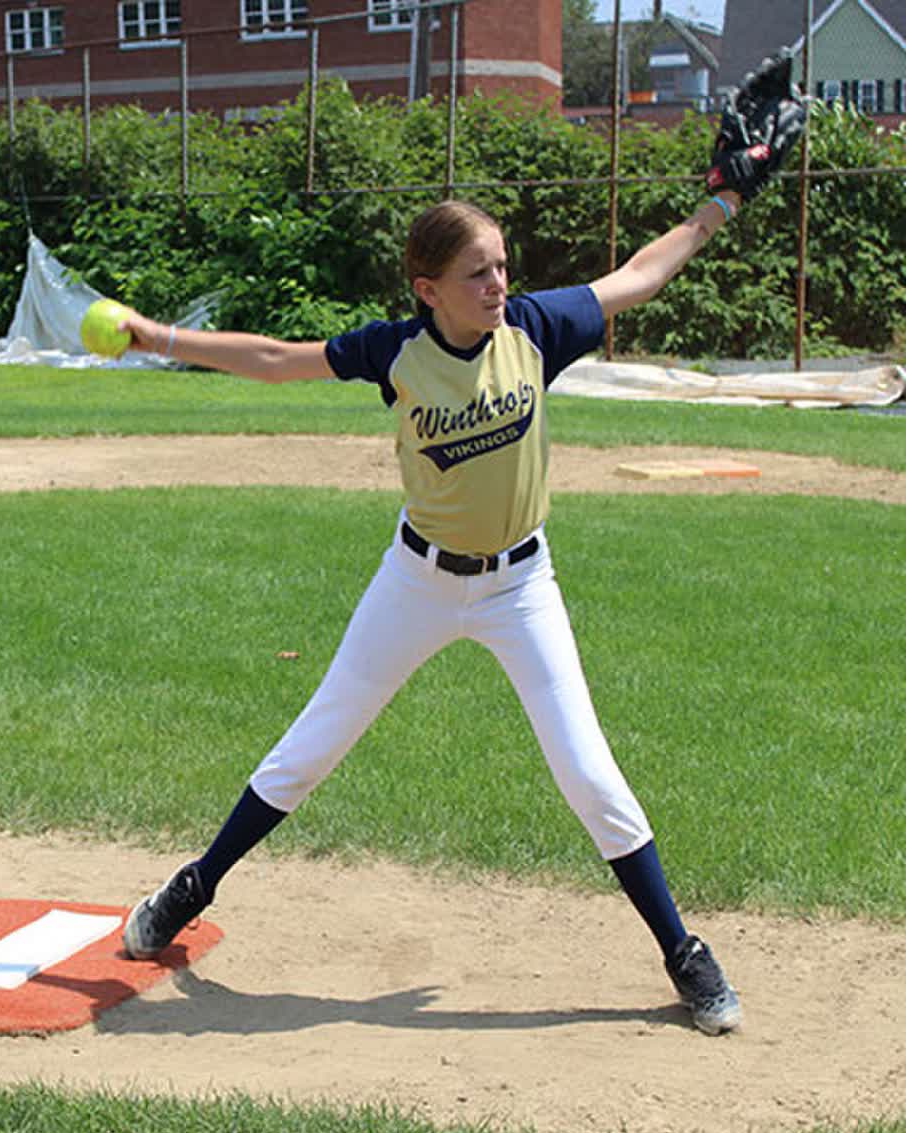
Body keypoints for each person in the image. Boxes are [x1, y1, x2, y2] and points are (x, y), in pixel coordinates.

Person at [113, 183, 749, 1036]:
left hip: (522, 586)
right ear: (427, 289)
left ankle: (683, 952)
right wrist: (164, 338)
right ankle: (190, 888)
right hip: (416, 582)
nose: (497, 285)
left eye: (501, 268)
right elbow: (276, 358)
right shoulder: (396, 353)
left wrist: (722, 205)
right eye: (476, 273)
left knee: (588, 773)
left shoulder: (534, 329)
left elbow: (638, 276)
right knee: (312, 745)